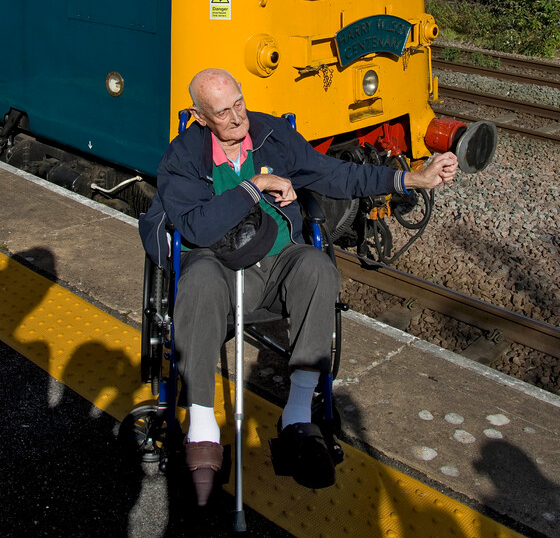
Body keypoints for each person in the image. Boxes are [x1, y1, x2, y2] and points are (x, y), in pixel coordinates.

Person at [140, 68, 458, 505]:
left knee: (316, 265)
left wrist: (410, 178)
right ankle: (201, 427)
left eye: (239, 103)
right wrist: (253, 187)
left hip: (278, 265)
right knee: (196, 277)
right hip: (219, 271)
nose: (237, 118)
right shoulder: (184, 155)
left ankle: (297, 416)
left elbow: (332, 174)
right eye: (223, 112)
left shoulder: (271, 133)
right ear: (199, 116)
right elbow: (194, 225)